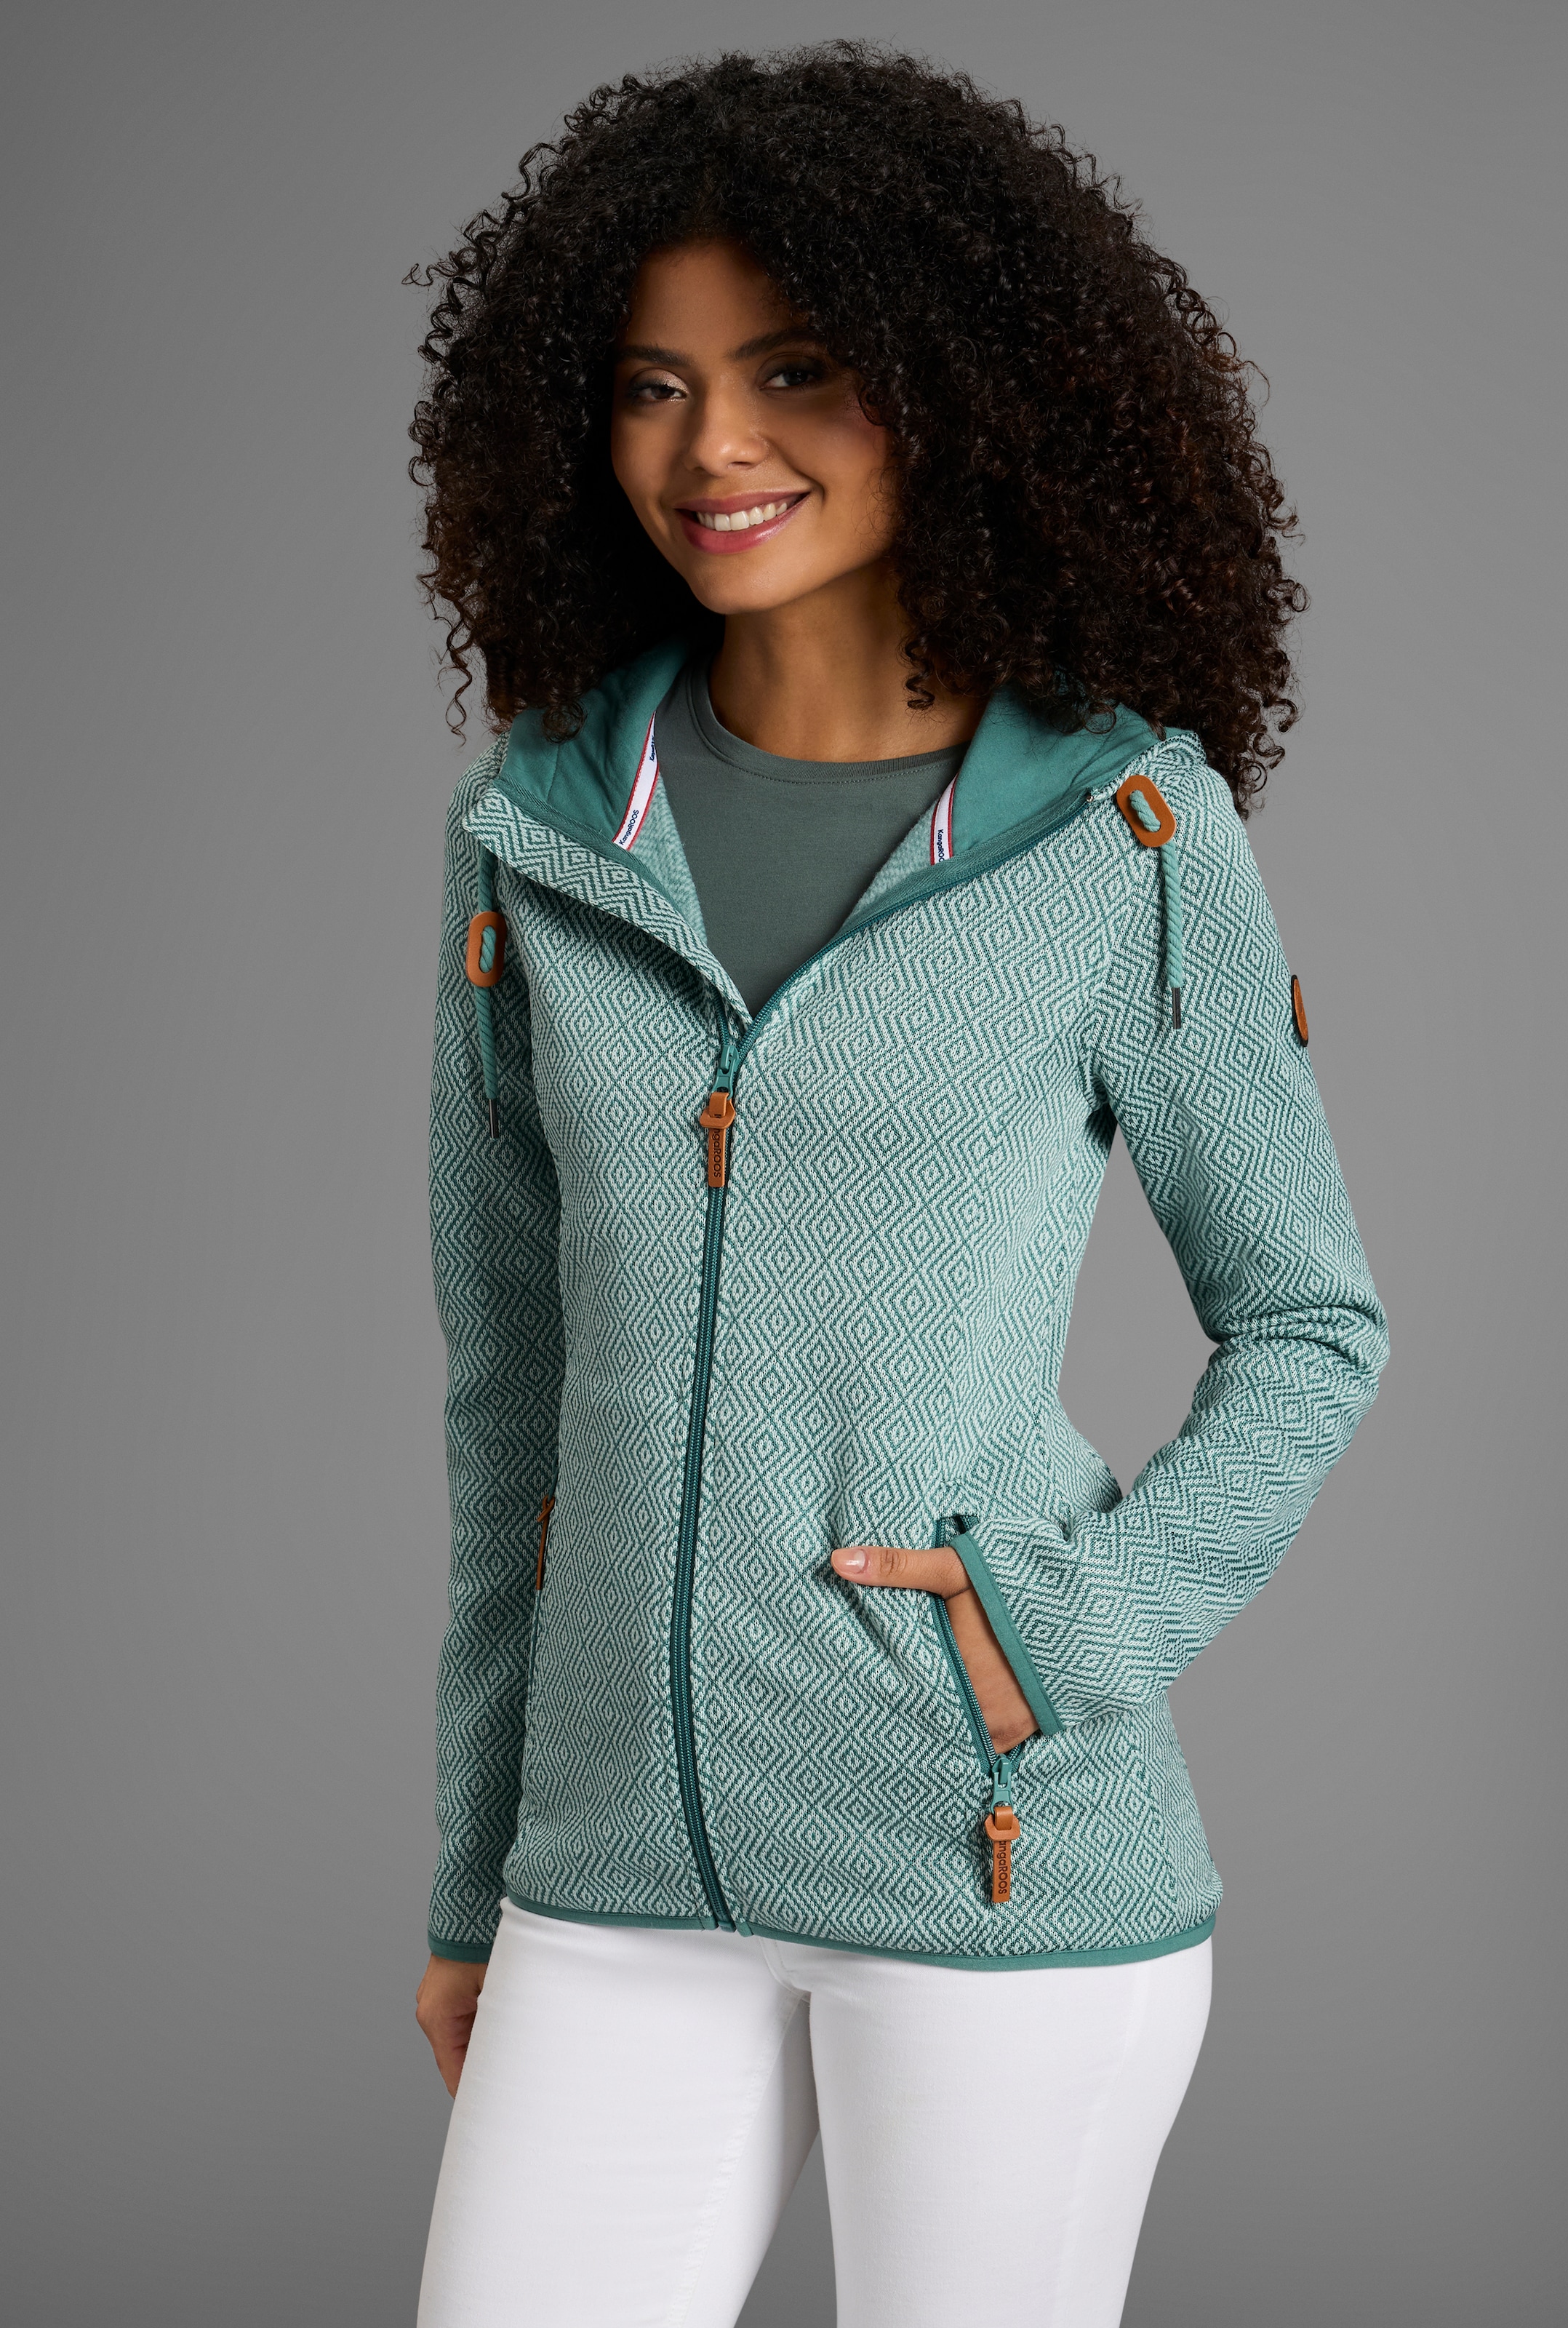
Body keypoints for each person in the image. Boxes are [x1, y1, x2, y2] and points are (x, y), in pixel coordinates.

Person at [407, 44, 1386, 2328]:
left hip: (988, 1862)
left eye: (794, 373)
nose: (712, 450)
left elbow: (1313, 1325)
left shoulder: (1125, 837)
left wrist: (1072, 1632)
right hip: (612, 1871)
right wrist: (475, 1874)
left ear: (952, 390)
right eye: (651, 386)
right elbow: (512, 1405)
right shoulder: (536, 837)